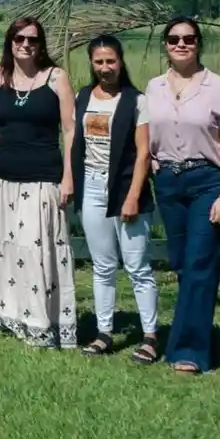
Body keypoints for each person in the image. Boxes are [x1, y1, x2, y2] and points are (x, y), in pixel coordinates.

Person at [142, 16, 220, 375]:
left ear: (199, 43)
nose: (181, 44)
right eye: (174, 39)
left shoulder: (219, 86)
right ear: (165, 45)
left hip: (206, 181)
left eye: (189, 38)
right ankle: (195, 336)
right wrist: (152, 161)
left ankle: (189, 352)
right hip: (168, 182)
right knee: (182, 262)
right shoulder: (153, 87)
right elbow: (145, 132)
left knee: (199, 263)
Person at [0, 18, 77, 349]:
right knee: (4, 249)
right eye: (19, 38)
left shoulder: (56, 78)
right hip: (0, 179)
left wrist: (68, 176)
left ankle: (43, 321)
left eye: (33, 39)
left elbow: (70, 130)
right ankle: (9, 317)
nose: (26, 44)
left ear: (41, 44)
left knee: (39, 250)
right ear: (10, 42)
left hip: (42, 177)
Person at [72, 34, 158, 363]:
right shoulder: (83, 97)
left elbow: (143, 153)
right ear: (91, 64)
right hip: (91, 188)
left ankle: (150, 336)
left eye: (111, 61)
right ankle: (104, 333)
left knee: (137, 266)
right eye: (99, 62)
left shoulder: (136, 100)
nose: (105, 67)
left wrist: (133, 197)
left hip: (125, 188)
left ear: (121, 62)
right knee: (103, 266)